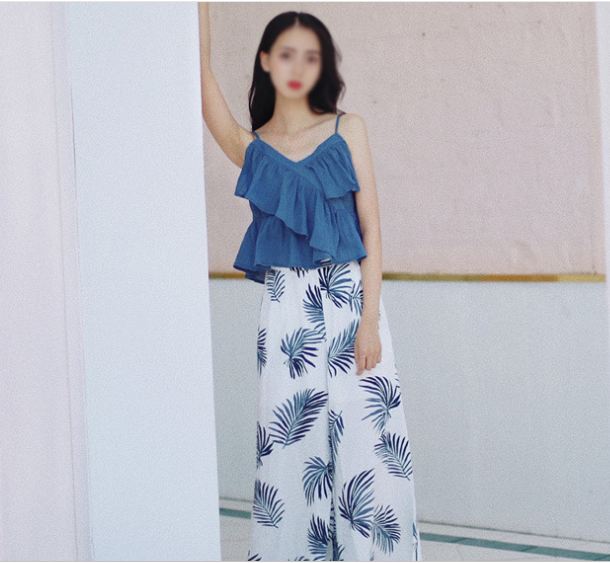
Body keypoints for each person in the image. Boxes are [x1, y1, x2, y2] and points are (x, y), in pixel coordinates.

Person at [198, 4, 423, 561]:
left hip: (351, 304)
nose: (297, 67)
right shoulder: (253, 147)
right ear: (266, 61)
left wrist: (368, 322)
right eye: (286, 54)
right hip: (286, 311)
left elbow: (371, 228)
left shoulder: (349, 129)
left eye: (310, 56)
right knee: (291, 448)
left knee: (367, 447)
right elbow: (201, 81)